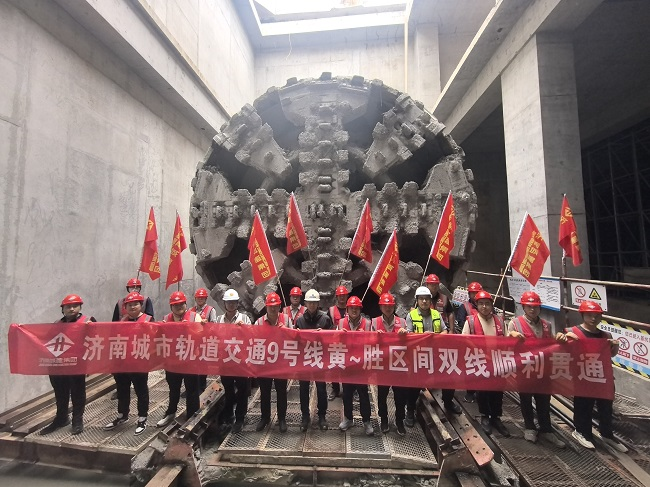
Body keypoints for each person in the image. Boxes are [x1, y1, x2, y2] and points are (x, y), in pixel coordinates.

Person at [560, 301, 628, 452]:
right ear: (583, 315)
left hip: (602, 377)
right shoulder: (572, 332)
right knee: (584, 406)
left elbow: (611, 355)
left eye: (597, 316)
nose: (593, 319)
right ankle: (581, 432)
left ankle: (607, 434)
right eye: (590, 315)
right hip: (583, 376)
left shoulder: (606, 335)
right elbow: (562, 353)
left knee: (606, 408)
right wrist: (563, 340)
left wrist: (615, 345)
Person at [507, 291, 566, 447]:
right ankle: (529, 427)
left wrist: (560, 338)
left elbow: (552, 344)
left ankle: (546, 430)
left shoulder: (547, 325)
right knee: (526, 399)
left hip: (543, 370)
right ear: (523, 307)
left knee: (544, 401)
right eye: (529, 306)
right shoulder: (515, 324)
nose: (532, 309)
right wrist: (511, 337)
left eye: (535, 306)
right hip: (525, 369)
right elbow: (506, 345)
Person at [40, 294, 96, 436]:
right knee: (60, 393)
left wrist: (91, 328)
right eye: (68, 307)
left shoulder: (88, 321)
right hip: (58, 366)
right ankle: (61, 418)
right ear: (63, 309)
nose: (71, 309)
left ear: (80, 307)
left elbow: (97, 341)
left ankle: (77, 419)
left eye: (75, 306)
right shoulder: (57, 324)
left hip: (77, 364)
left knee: (77, 392)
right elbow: (48, 341)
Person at [405, 287, 461, 427]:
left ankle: (448, 402)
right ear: (417, 301)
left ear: (430, 300)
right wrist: (424, 337)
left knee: (449, 378)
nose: (424, 301)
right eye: (421, 299)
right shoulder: (411, 316)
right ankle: (410, 410)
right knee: (414, 384)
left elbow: (445, 331)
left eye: (426, 299)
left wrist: (434, 337)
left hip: (437, 355)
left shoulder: (436, 314)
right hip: (419, 356)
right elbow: (408, 336)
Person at [462, 290, 510, 437]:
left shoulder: (500, 321)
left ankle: (496, 417)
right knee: (483, 391)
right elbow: (463, 341)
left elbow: (507, 340)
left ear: (491, 305)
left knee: (497, 391)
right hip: (480, 361)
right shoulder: (471, 321)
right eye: (481, 304)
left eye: (487, 304)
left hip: (497, 361)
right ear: (477, 305)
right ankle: (485, 416)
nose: (484, 307)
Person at [104, 292, 152, 435]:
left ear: (141, 305)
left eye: (135, 304)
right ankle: (122, 415)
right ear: (125, 307)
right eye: (129, 305)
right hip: (122, 363)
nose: (132, 307)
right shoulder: (121, 322)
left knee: (141, 391)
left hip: (139, 363)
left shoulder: (149, 320)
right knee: (122, 389)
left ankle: (142, 418)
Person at [156, 292, 202, 428]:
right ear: (171, 306)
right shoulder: (165, 320)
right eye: (175, 305)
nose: (178, 307)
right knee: (173, 389)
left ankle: (192, 416)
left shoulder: (195, 317)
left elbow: (202, 335)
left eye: (181, 304)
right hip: (172, 362)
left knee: (192, 390)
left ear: (186, 304)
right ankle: (171, 413)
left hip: (190, 361)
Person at [294, 289, 333, 431]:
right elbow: (295, 341)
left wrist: (324, 335)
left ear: (318, 304)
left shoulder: (325, 319)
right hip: (304, 359)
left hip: (319, 359)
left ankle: (322, 416)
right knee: (303, 389)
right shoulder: (299, 320)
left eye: (314, 303)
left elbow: (333, 338)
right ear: (305, 303)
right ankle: (305, 417)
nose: (311, 305)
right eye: (309, 302)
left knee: (321, 389)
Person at [371, 292, 408, 435]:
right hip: (383, 365)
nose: (388, 308)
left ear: (394, 307)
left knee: (400, 396)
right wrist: (375, 337)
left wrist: (405, 335)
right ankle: (384, 419)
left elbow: (410, 343)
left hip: (399, 365)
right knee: (382, 395)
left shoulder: (402, 322)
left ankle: (400, 421)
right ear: (380, 307)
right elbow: (367, 342)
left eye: (390, 306)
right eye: (385, 306)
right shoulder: (375, 322)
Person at [216, 288, 252, 434]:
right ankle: (229, 415)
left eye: (233, 302)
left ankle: (240, 418)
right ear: (224, 304)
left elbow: (252, 337)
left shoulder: (244, 319)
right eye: (228, 302)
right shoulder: (218, 320)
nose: (231, 305)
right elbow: (214, 337)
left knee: (242, 391)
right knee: (229, 390)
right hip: (225, 362)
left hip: (240, 362)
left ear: (237, 303)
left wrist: (244, 329)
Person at [338, 296, 374, 436]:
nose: (354, 310)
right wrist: (340, 336)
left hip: (361, 365)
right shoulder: (341, 323)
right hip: (347, 364)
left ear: (360, 310)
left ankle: (367, 421)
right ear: (347, 309)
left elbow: (374, 342)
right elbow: (334, 341)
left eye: (357, 308)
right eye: (352, 308)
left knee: (363, 393)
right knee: (347, 393)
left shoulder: (367, 324)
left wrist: (365, 337)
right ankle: (348, 418)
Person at [254, 292, 289, 433]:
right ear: (266, 307)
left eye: (275, 306)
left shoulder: (286, 320)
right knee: (265, 391)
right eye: (270, 306)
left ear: (280, 306)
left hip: (281, 363)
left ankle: (282, 418)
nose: (273, 309)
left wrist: (286, 331)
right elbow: (253, 340)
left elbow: (294, 337)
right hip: (265, 364)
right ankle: (265, 417)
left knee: (281, 391)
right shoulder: (259, 322)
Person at [456, 281, 483, 403]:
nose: (475, 295)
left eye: (477, 293)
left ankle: (482, 391)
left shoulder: (486, 306)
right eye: (473, 293)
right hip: (470, 342)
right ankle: (470, 392)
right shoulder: (465, 307)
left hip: (484, 343)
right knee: (470, 367)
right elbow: (461, 322)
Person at [189, 287, 217, 392]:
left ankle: (201, 386)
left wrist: (207, 325)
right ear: (195, 298)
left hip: (205, 341)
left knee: (203, 363)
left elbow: (214, 326)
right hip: (193, 342)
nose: (200, 299)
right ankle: (193, 385)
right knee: (193, 364)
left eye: (202, 298)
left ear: (205, 298)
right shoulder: (191, 310)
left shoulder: (210, 310)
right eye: (198, 297)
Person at [326, 285, 349, 400]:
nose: (342, 297)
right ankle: (335, 389)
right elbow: (327, 325)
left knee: (349, 367)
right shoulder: (331, 310)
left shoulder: (352, 308)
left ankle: (350, 389)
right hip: (335, 343)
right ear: (337, 297)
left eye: (344, 295)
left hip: (349, 343)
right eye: (340, 295)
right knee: (335, 366)